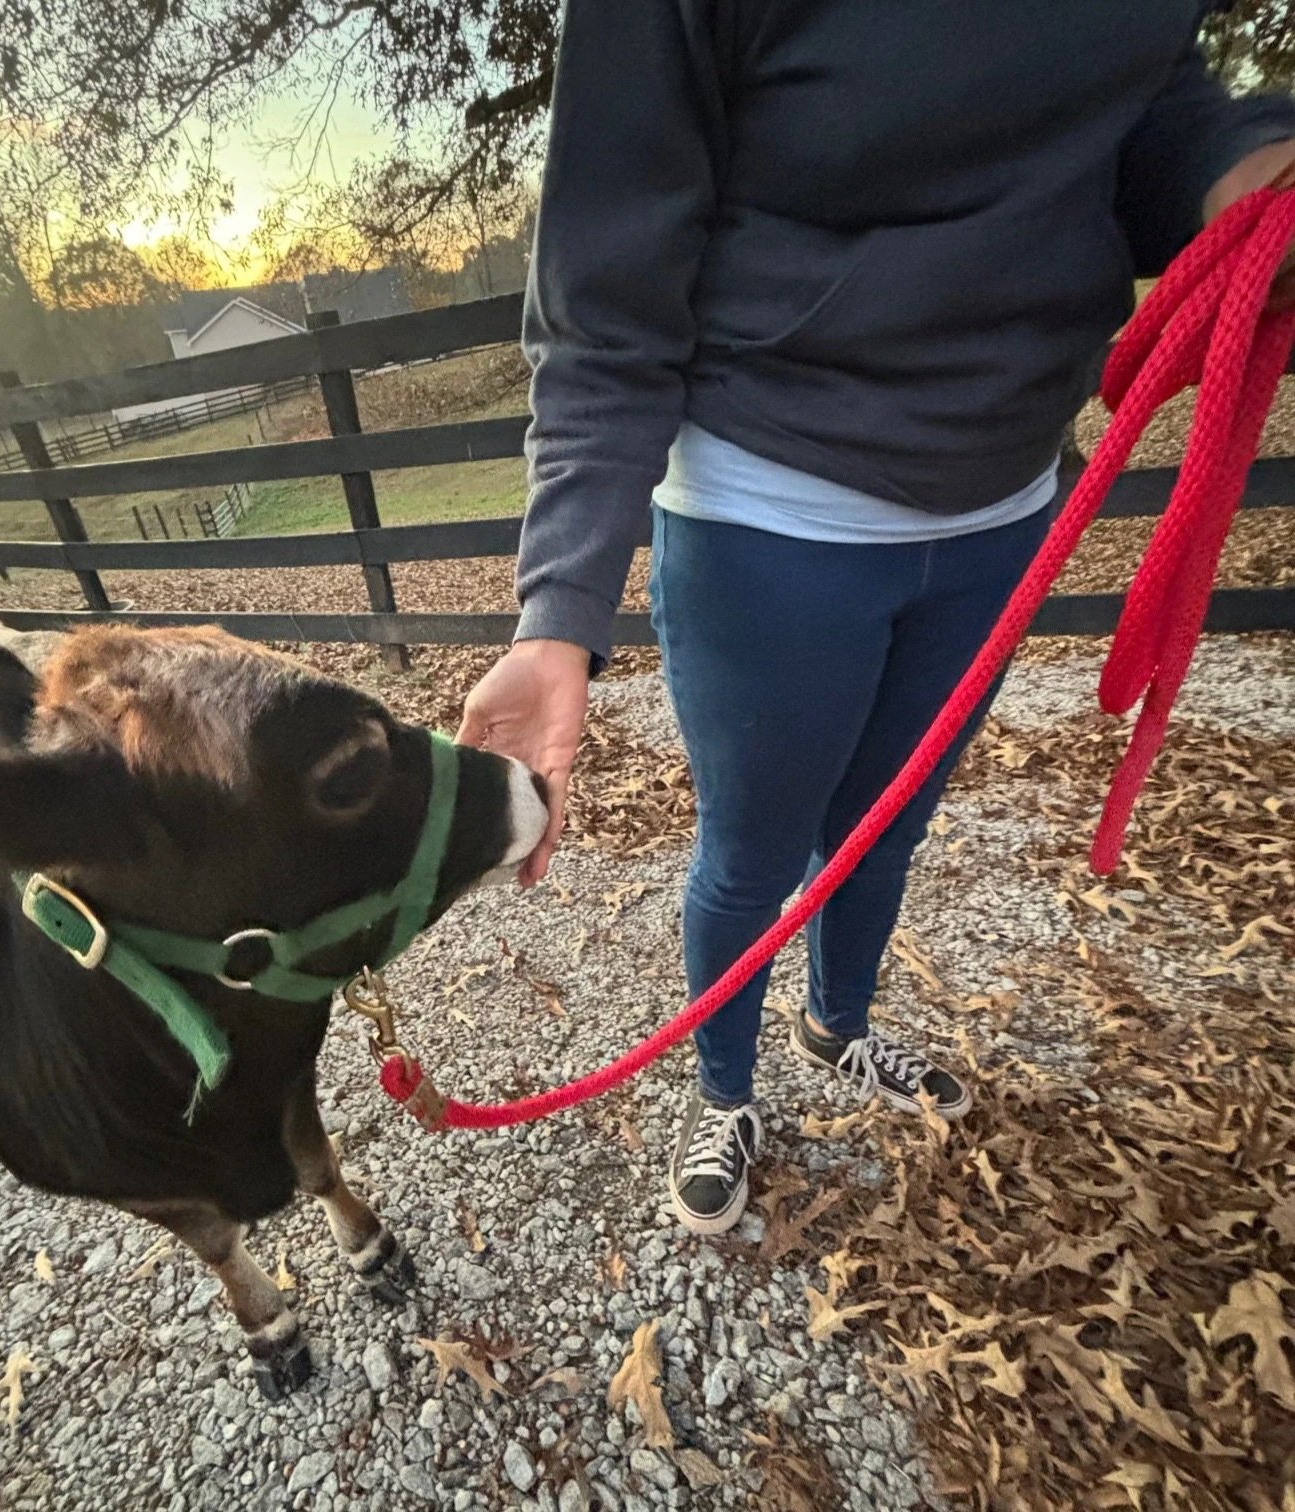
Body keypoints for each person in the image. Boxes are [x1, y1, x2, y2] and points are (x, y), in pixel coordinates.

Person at [457, 1, 1295, 1236]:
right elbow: (607, 290)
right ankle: (725, 1089)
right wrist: (559, 611)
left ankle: (837, 1023)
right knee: (751, 851)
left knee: (888, 823)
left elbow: (1139, 102)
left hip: (1005, 506)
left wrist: (1242, 161)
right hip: (769, 515)